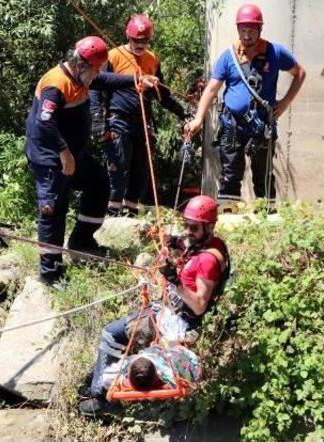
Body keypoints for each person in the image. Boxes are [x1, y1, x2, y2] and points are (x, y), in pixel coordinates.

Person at [79, 195, 230, 417]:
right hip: (169, 311)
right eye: (185, 225)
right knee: (120, 336)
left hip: (177, 322)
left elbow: (198, 305)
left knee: (111, 335)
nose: (187, 231)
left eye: (193, 227)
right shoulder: (210, 242)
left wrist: (175, 281)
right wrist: (175, 242)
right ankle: (102, 378)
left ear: (209, 226)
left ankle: (102, 399)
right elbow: (190, 245)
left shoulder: (208, 261)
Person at [24, 36, 158, 285]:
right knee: (53, 207)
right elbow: (45, 123)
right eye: (95, 70)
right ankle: (50, 271)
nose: (97, 75)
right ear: (80, 64)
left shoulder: (83, 75)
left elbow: (106, 80)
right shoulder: (56, 84)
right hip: (51, 156)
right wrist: (64, 151)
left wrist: (136, 79)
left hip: (73, 154)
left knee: (98, 183)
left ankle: (81, 241)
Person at [185, 3, 306, 212]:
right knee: (231, 173)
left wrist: (285, 101)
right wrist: (198, 119)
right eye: (243, 30)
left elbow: (300, 73)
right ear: (237, 29)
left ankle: (266, 218)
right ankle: (228, 218)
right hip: (232, 125)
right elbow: (211, 89)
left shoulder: (275, 53)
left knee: (263, 175)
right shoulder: (229, 56)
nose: (247, 35)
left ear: (260, 29)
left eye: (251, 30)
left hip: (261, 125)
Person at [90, 14, 188, 218]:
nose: (140, 45)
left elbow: (163, 95)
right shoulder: (114, 56)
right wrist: (97, 118)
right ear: (128, 36)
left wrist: (183, 113)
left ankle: (131, 215)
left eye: (144, 41)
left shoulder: (152, 59)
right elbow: (96, 85)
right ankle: (111, 218)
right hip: (118, 121)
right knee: (118, 170)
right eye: (136, 40)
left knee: (140, 174)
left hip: (142, 124)